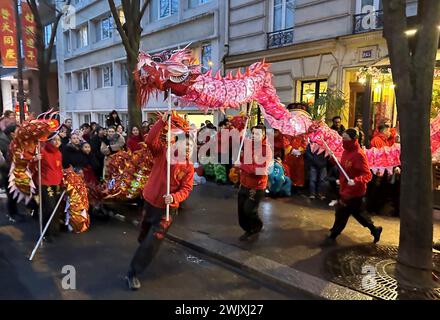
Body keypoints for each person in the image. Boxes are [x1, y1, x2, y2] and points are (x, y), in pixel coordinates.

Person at [125, 112, 194, 290]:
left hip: (167, 210)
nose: (187, 148)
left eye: (190, 145)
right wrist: (162, 122)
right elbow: (149, 141)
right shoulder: (163, 153)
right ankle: (143, 250)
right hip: (150, 201)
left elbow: (186, 189)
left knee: (152, 241)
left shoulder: (188, 167)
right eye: (184, 144)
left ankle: (133, 272)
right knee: (144, 233)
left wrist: (174, 198)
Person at [322, 128, 382, 245]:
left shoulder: (359, 155)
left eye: (345, 138)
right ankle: (375, 230)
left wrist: (356, 181)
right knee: (358, 214)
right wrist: (334, 161)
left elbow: (367, 175)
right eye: (342, 138)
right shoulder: (346, 151)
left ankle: (334, 234)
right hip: (345, 189)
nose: (343, 141)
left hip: (354, 192)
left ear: (353, 139)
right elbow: (344, 169)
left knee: (342, 213)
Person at [237, 124, 272, 242]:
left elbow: (261, 170)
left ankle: (253, 228)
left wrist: (242, 166)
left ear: (263, 135)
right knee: (241, 209)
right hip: (244, 183)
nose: (254, 136)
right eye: (252, 133)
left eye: (257, 134)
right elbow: (238, 136)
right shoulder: (247, 144)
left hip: (256, 186)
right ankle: (249, 227)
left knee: (248, 210)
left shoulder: (266, 150)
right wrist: (242, 122)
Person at [38, 134, 64, 242]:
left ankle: (54, 229)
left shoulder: (59, 153)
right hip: (46, 183)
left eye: (59, 140)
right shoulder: (42, 151)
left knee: (57, 208)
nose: (57, 142)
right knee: (49, 207)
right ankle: (46, 232)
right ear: (49, 141)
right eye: (55, 140)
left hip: (56, 183)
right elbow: (31, 163)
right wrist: (36, 159)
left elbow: (59, 168)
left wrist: (62, 181)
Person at [0, 125, 18, 222]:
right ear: (12, 133)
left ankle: (14, 212)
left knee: (14, 193)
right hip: (7, 171)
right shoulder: (3, 142)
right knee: (11, 193)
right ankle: (11, 214)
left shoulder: (12, 141)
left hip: (13, 170)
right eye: (17, 131)